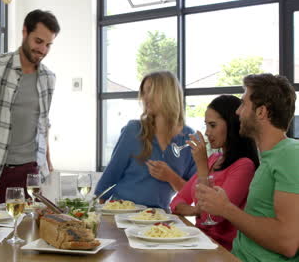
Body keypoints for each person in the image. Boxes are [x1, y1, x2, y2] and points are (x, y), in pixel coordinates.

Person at [0, 9, 60, 204]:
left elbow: (42, 123)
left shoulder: (49, 78)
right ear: (25, 32)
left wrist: (47, 161)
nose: (43, 50)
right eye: (38, 41)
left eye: (48, 45)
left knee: (26, 232)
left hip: (30, 172)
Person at [197, 74, 299, 261]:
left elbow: (288, 242)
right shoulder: (269, 157)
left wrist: (226, 208)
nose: (237, 112)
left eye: (243, 104)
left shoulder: (291, 154)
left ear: (261, 112)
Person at [94, 71, 197, 210]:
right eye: (143, 92)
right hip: (122, 213)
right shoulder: (134, 130)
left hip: (158, 219)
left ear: (167, 93)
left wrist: (171, 177)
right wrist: (98, 216)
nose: (144, 97)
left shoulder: (189, 138)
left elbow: (193, 194)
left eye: (150, 90)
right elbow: (111, 174)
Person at [170, 95, 259, 250]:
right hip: (199, 242)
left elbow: (211, 217)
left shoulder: (244, 166)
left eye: (212, 125)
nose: (206, 133)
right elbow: (176, 203)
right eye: (206, 125)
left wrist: (202, 168)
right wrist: (195, 210)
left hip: (223, 250)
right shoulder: (213, 159)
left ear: (231, 125)